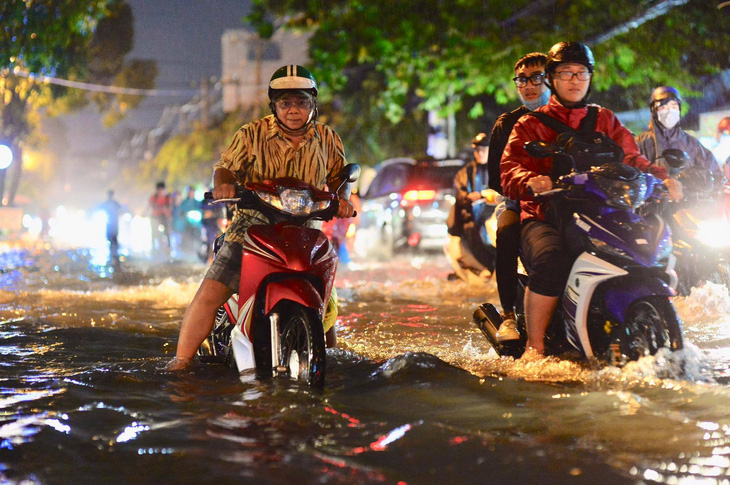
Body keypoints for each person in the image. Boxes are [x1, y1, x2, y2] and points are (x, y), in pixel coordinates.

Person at [501, 41, 682, 358]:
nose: (574, 80)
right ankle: (535, 346)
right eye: (566, 73)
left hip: (605, 214)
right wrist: (529, 180)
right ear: (552, 79)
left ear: (590, 77)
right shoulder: (530, 124)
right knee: (551, 259)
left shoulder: (606, 120)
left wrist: (665, 180)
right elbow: (508, 170)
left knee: (648, 250)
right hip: (547, 217)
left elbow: (633, 159)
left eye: (581, 72)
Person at [167, 65, 355, 370]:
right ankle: (180, 363)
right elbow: (224, 167)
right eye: (286, 103)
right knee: (211, 292)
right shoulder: (251, 134)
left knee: (327, 301)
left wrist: (343, 199)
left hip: (307, 229)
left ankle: (329, 362)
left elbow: (340, 178)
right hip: (252, 227)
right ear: (274, 106)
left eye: (301, 102)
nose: (294, 110)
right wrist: (223, 185)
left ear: (313, 104)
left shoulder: (328, 138)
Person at [486, 51, 549, 342]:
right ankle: (509, 314)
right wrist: (528, 185)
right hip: (516, 201)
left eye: (536, 77)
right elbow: (499, 181)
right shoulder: (508, 124)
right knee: (507, 230)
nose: (529, 85)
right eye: (522, 79)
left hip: (563, 199)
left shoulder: (572, 117)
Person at [636, 86, 723, 182]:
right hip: (655, 196)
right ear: (654, 110)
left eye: (674, 107)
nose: (669, 111)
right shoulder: (641, 142)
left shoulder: (692, 144)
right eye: (664, 107)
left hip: (689, 196)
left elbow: (714, 173)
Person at [451, 133, 496, 278]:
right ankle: (485, 265)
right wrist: (468, 197)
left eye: (483, 149)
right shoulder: (466, 172)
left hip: (497, 214)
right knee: (472, 228)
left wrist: (484, 194)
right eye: (477, 150)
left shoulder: (499, 169)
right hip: (475, 216)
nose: (479, 153)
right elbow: (460, 193)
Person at [148, 181, 173, 256]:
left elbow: (170, 207)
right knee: (154, 233)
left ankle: (168, 248)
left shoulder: (168, 198)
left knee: (167, 232)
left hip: (164, 217)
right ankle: (153, 248)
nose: (160, 191)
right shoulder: (153, 197)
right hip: (155, 217)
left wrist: (167, 212)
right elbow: (151, 206)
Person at [98, 190, 122, 262]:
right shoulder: (106, 203)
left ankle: (115, 251)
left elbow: (120, 210)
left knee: (114, 237)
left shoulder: (115, 203)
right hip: (109, 222)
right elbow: (100, 209)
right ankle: (112, 251)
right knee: (109, 237)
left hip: (114, 222)